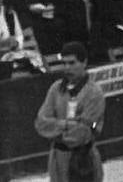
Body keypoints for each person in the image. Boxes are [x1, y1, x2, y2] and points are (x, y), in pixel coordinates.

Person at [34, 41, 106, 182]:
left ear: (84, 62)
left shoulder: (94, 92)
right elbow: (41, 123)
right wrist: (67, 125)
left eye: (72, 63)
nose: (67, 68)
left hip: (83, 159)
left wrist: (55, 129)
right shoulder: (55, 89)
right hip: (57, 160)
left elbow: (82, 133)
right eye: (64, 63)